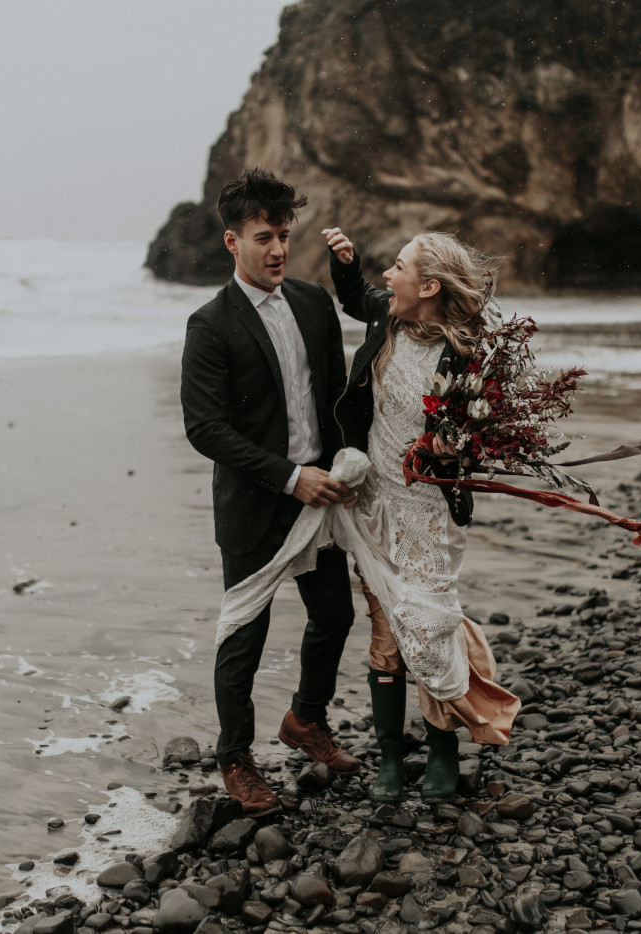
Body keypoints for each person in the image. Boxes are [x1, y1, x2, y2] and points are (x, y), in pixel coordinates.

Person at [180, 169, 361, 818]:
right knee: (244, 639)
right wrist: (288, 476)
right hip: (257, 505)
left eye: (284, 235)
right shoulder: (209, 326)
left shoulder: (313, 304)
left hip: (321, 500)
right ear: (232, 242)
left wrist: (355, 466)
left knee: (335, 616)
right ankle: (235, 759)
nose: (278, 249)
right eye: (264, 237)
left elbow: (338, 398)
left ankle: (305, 721)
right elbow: (204, 428)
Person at [322, 225, 521, 804]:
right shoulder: (385, 317)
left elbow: (484, 432)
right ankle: (389, 757)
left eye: (400, 267)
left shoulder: (467, 353)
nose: (390, 276)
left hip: (433, 509)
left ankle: (441, 751)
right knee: (387, 630)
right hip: (375, 502)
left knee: (430, 622)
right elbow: (356, 295)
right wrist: (346, 262)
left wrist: (453, 447)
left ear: (429, 285)